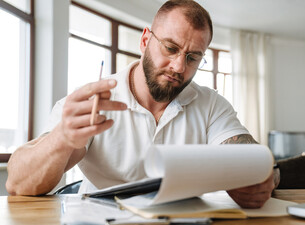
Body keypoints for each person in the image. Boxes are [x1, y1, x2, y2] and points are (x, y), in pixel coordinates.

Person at [6, 0, 279, 209]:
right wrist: (62, 138)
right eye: (170, 48)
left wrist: (260, 175)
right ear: (145, 40)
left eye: (193, 57)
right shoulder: (92, 101)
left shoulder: (211, 104)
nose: (178, 67)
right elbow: (17, 184)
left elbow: (250, 158)